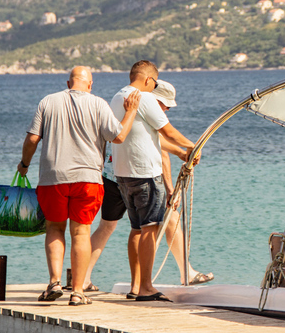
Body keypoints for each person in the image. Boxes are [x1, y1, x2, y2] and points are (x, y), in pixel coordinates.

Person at [17, 66, 140, 306]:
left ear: (68, 82)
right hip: (88, 179)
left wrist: (24, 164)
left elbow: (32, 138)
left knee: (54, 228)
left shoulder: (48, 102)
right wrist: (131, 112)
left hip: (53, 178)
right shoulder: (99, 104)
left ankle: (54, 283)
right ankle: (77, 292)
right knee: (81, 232)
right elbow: (119, 137)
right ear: (90, 84)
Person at [83, 79, 213, 296]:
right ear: (154, 97)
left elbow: (156, 143)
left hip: (112, 173)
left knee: (108, 227)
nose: (168, 108)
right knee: (160, 222)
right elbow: (158, 150)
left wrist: (180, 153)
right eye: (165, 104)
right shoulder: (148, 107)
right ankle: (180, 274)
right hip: (138, 177)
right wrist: (171, 187)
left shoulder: (124, 102)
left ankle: (83, 277)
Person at [111, 60, 196, 302]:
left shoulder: (118, 97)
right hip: (145, 173)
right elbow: (167, 131)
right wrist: (192, 146)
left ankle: (136, 285)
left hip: (123, 173)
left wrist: (181, 152)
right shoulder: (145, 97)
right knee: (150, 229)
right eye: (155, 83)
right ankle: (147, 287)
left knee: (136, 229)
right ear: (149, 80)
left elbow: (147, 136)